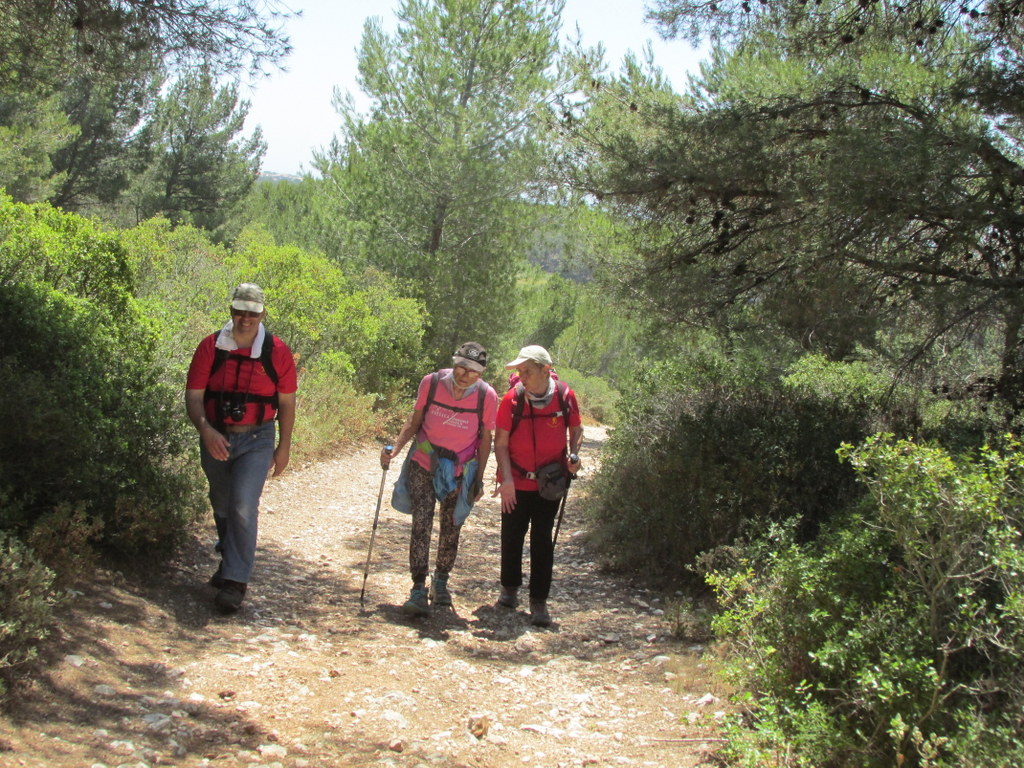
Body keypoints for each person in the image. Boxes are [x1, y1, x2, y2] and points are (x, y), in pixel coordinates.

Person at [185, 283, 297, 613]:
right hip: (216, 433)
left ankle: (235, 581)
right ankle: (228, 560)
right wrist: (206, 431)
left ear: (262, 314)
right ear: (231, 310)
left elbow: (287, 403)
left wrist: (284, 446)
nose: (245, 319)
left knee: (243, 504)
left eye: (252, 313)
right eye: (239, 311)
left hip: (257, 437)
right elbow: (193, 396)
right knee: (221, 502)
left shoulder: (277, 351)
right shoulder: (211, 347)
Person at [382, 341, 498, 617]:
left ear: (480, 373)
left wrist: (478, 479)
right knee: (421, 523)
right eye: (460, 366)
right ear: (453, 362)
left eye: (472, 371)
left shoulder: (487, 396)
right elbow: (414, 421)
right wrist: (394, 450)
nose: (464, 374)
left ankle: (441, 582)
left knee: (451, 526)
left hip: (460, 471)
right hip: (424, 462)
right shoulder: (431, 383)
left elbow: (485, 441)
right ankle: (418, 588)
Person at [493, 345, 583, 627]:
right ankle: (509, 589)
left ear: (546, 370)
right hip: (517, 482)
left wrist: (574, 455)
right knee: (512, 535)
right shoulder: (511, 400)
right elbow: (501, 443)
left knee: (542, 540)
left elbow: (577, 429)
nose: (521, 376)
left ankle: (539, 601)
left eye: (526, 371)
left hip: (550, 483)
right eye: (519, 371)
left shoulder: (565, 397)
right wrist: (506, 480)